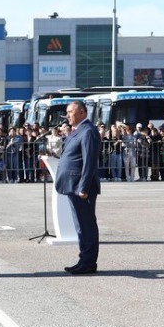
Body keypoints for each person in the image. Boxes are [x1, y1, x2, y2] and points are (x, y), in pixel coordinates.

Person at [55, 101, 101, 274]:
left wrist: (84, 187)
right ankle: (84, 259)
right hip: (72, 185)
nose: (67, 115)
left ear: (82, 112)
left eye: (70, 112)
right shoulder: (78, 130)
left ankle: (88, 262)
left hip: (81, 187)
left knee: (86, 225)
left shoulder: (88, 131)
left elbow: (89, 161)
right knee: (80, 225)